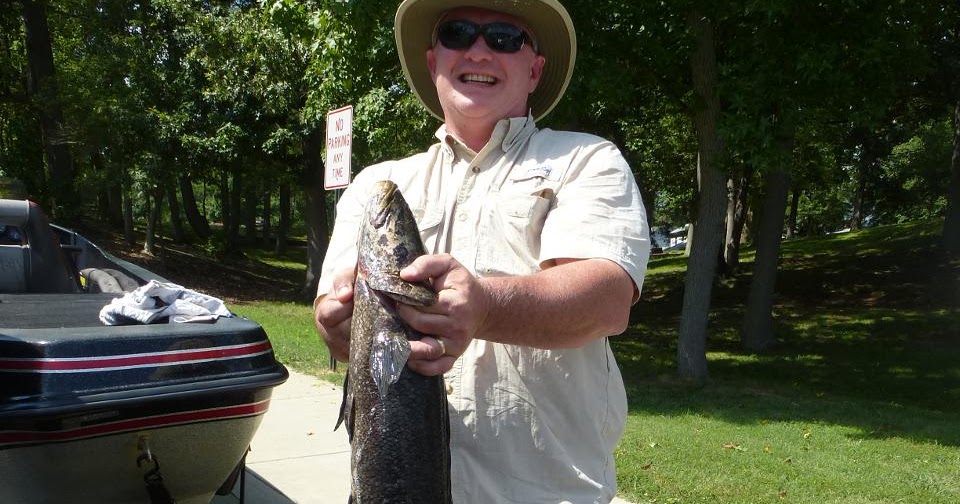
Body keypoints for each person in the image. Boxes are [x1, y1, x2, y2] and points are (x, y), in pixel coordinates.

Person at [314, 0, 650, 501]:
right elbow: (333, 320)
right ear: (434, 62)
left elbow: (606, 302)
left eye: (504, 38)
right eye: (457, 32)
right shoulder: (376, 183)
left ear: (534, 71)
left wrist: (486, 306)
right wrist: (337, 324)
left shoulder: (586, 160)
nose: (478, 51)